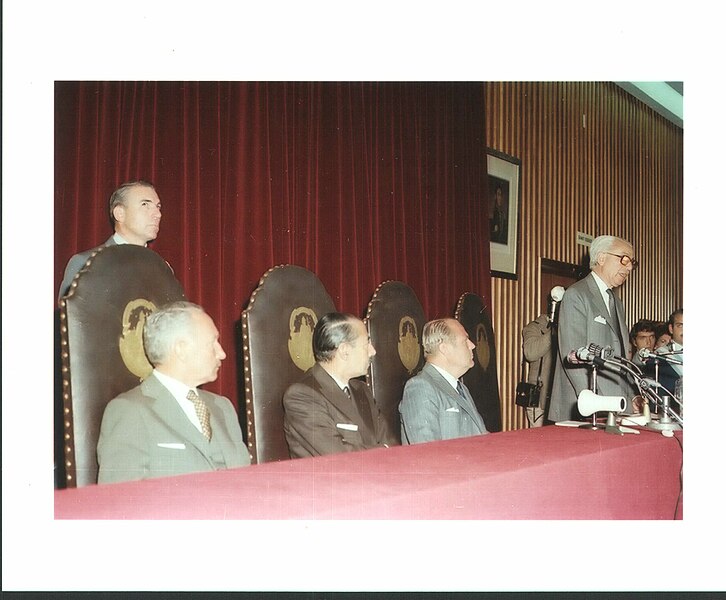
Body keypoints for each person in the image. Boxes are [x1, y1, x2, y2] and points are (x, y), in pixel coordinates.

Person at [97, 301, 250, 484]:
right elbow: (120, 502)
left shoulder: (223, 407)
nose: (222, 353)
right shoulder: (129, 411)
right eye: (213, 343)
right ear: (181, 349)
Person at [548, 235, 639, 421]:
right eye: (624, 259)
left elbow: (621, 357)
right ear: (602, 258)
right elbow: (574, 357)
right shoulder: (577, 295)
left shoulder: (616, 301)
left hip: (614, 404)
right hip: (587, 406)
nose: (629, 267)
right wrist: (594, 403)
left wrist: (631, 396)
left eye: (632, 262)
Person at [282, 312, 397, 458]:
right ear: (344, 350)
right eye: (366, 343)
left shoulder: (362, 390)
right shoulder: (302, 396)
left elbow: (392, 444)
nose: (372, 351)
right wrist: (384, 450)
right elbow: (341, 456)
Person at [58, 180, 163, 301]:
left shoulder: (161, 269)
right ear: (119, 213)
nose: (158, 214)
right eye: (145, 205)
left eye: (158, 207)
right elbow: (71, 317)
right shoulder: (86, 263)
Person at [399, 318, 489, 443]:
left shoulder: (461, 388)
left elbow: (481, 435)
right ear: (444, 348)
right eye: (465, 341)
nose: (472, 345)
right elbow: (427, 453)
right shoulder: (420, 388)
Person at [521, 313, 555, 427]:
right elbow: (530, 353)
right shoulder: (534, 327)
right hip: (540, 401)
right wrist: (554, 331)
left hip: (559, 400)